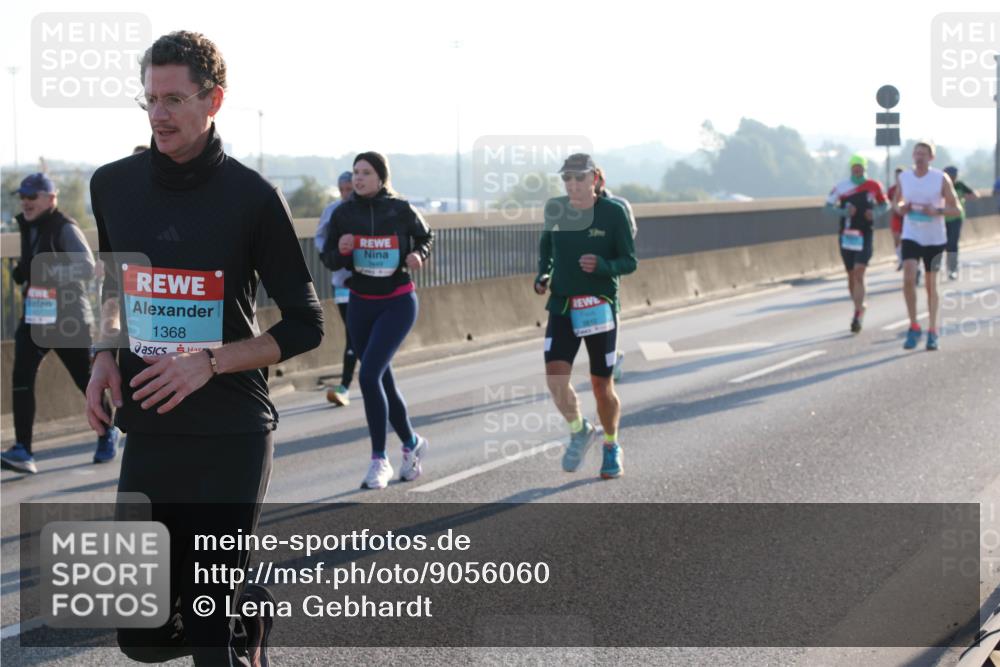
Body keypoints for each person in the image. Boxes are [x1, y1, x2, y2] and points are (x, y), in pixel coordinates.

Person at [86, 31, 323, 666]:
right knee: (140, 637)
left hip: (231, 430)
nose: (158, 114)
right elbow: (114, 283)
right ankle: (250, 609)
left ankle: (227, 624)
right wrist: (103, 353)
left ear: (213, 100)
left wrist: (209, 361)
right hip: (151, 426)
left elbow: (306, 324)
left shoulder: (252, 197)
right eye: (150, 99)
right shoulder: (112, 185)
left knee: (207, 632)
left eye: (174, 99)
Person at [321, 151, 433, 490]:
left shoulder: (400, 209)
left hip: (397, 302)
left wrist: (418, 254)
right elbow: (329, 259)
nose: (358, 178)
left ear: (381, 178)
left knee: (368, 375)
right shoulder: (343, 213)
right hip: (360, 303)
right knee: (382, 378)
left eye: (366, 172)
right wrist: (341, 250)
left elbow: (426, 237)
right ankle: (412, 443)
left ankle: (379, 459)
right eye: (355, 172)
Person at [0, 174, 120, 475]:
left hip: (68, 319)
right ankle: (23, 450)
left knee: (85, 379)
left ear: (51, 198)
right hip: (36, 316)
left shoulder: (65, 227)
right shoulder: (28, 226)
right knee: (21, 378)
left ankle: (107, 432)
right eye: (22, 196)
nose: (25, 202)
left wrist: (47, 273)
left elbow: (88, 267)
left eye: (32, 196)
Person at [536, 153, 637, 479]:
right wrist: (543, 274)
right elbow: (546, 249)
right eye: (567, 178)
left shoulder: (613, 212)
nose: (573, 184)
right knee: (555, 379)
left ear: (594, 179)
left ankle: (611, 444)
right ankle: (580, 429)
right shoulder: (556, 209)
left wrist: (603, 265)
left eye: (579, 178)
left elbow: (629, 261)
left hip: (598, 305)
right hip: (563, 306)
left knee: (601, 385)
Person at [892, 141, 962, 351]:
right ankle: (914, 326)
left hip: (934, 238)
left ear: (931, 158)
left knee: (931, 287)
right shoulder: (905, 177)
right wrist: (902, 208)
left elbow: (956, 209)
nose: (919, 157)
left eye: (923, 154)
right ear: (913, 156)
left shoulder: (940, 178)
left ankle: (932, 330)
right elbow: (896, 203)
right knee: (908, 278)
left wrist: (937, 211)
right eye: (917, 153)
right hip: (911, 234)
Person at [823, 154, 888, 333]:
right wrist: (844, 212)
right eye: (854, 167)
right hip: (847, 235)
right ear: (851, 168)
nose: (857, 169)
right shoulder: (841, 186)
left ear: (865, 168)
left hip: (865, 233)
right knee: (851, 275)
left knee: (859, 272)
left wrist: (874, 213)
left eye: (860, 166)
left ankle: (858, 313)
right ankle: (858, 306)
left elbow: (884, 204)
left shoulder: (874, 186)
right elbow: (827, 208)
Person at [315, 171, 357, 406]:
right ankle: (345, 386)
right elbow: (320, 238)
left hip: (369, 283)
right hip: (342, 283)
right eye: (342, 190)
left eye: (349, 189)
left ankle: (373, 380)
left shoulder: (366, 209)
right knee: (353, 334)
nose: (345, 194)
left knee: (363, 338)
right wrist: (331, 254)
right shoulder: (332, 211)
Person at [594, 167, 636, 382]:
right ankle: (610, 355)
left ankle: (610, 359)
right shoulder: (577, 206)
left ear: (601, 181)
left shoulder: (619, 204)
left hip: (612, 263)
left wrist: (611, 251)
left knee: (611, 303)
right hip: (587, 265)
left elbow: (631, 232)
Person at [942, 165, 979, 280]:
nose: (953, 178)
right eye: (950, 176)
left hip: (956, 218)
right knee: (942, 244)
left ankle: (952, 269)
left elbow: (975, 195)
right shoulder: (940, 185)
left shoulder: (960, 185)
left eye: (954, 176)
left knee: (952, 244)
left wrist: (965, 196)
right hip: (941, 219)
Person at [886, 167, 905, 270]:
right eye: (897, 176)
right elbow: (888, 203)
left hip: (906, 217)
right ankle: (900, 259)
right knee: (896, 238)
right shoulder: (891, 190)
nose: (898, 178)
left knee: (905, 239)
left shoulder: (908, 187)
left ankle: (907, 259)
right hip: (895, 217)